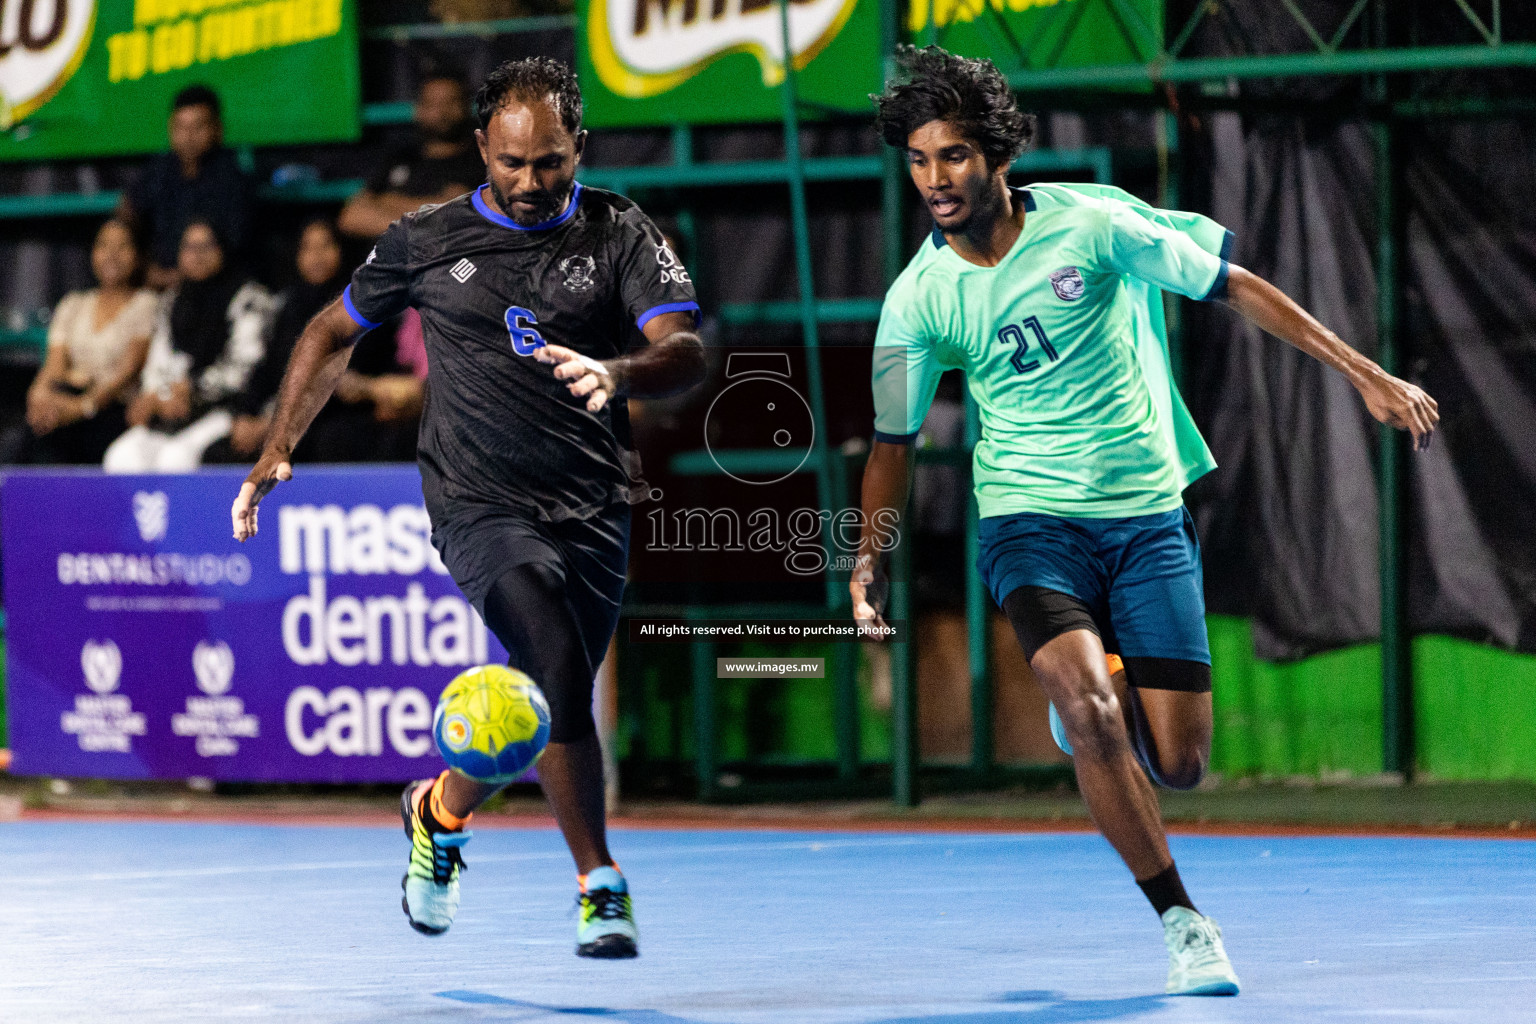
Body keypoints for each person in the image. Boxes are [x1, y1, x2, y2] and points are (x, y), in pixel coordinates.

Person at [852, 46, 1439, 996]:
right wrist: (866, 558)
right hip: (1028, 520)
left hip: (1144, 517)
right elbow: (890, 439)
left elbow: (1233, 284)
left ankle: (1103, 694)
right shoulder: (917, 301)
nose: (934, 180)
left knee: (1183, 762)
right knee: (1086, 711)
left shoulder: (1096, 224)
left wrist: (1365, 374)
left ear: (995, 155)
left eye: (953, 156)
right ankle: (1182, 917)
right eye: (918, 161)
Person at [229, 57, 704, 957]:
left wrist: (620, 371)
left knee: (536, 704)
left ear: (579, 149)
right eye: (514, 162)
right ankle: (600, 882)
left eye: (553, 162)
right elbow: (333, 331)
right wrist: (279, 442)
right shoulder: (425, 238)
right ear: (483, 146)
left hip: (596, 502)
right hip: (478, 499)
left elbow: (684, 351)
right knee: (557, 663)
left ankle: (437, 810)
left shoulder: (620, 231)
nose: (531, 182)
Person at [104, 221, 269, 472]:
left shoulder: (249, 298)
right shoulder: (173, 301)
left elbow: (244, 366)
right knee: (121, 458)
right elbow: (160, 359)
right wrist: (156, 396)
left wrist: (192, 389)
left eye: (206, 246)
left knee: (175, 460)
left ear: (222, 249)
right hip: (172, 413)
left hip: (225, 411)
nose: (197, 255)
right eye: (190, 248)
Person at [4, 219, 157, 465]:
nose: (111, 255)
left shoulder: (146, 304)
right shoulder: (73, 304)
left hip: (112, 407)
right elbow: (54, 366)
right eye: (104, 246)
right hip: (65, 403)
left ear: (138, 255)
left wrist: (81, 407)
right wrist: (39, 396)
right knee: (25, 439)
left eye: (122, 247)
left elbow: (127, 372)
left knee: (54, 441)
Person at [119, 85, 254, 290]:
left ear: (217, 129)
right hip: (157, 288)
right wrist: (144, 269)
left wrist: (184, 276)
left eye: (198, 126)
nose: (188, 136)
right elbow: (126, 217)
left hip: (218, 289)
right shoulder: (158, 171)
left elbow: (235, 250)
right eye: (181, 127)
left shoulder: (234, 181)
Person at [338, 74, 484, 239]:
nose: (441, 112)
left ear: (466, 106)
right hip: (388, 261)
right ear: (419, 109)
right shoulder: (400, 157)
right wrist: (433, 212)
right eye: (432, 104)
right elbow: (352, 217)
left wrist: (388, 201)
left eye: (450, 102)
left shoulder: (481, 160)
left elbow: (458, 221)